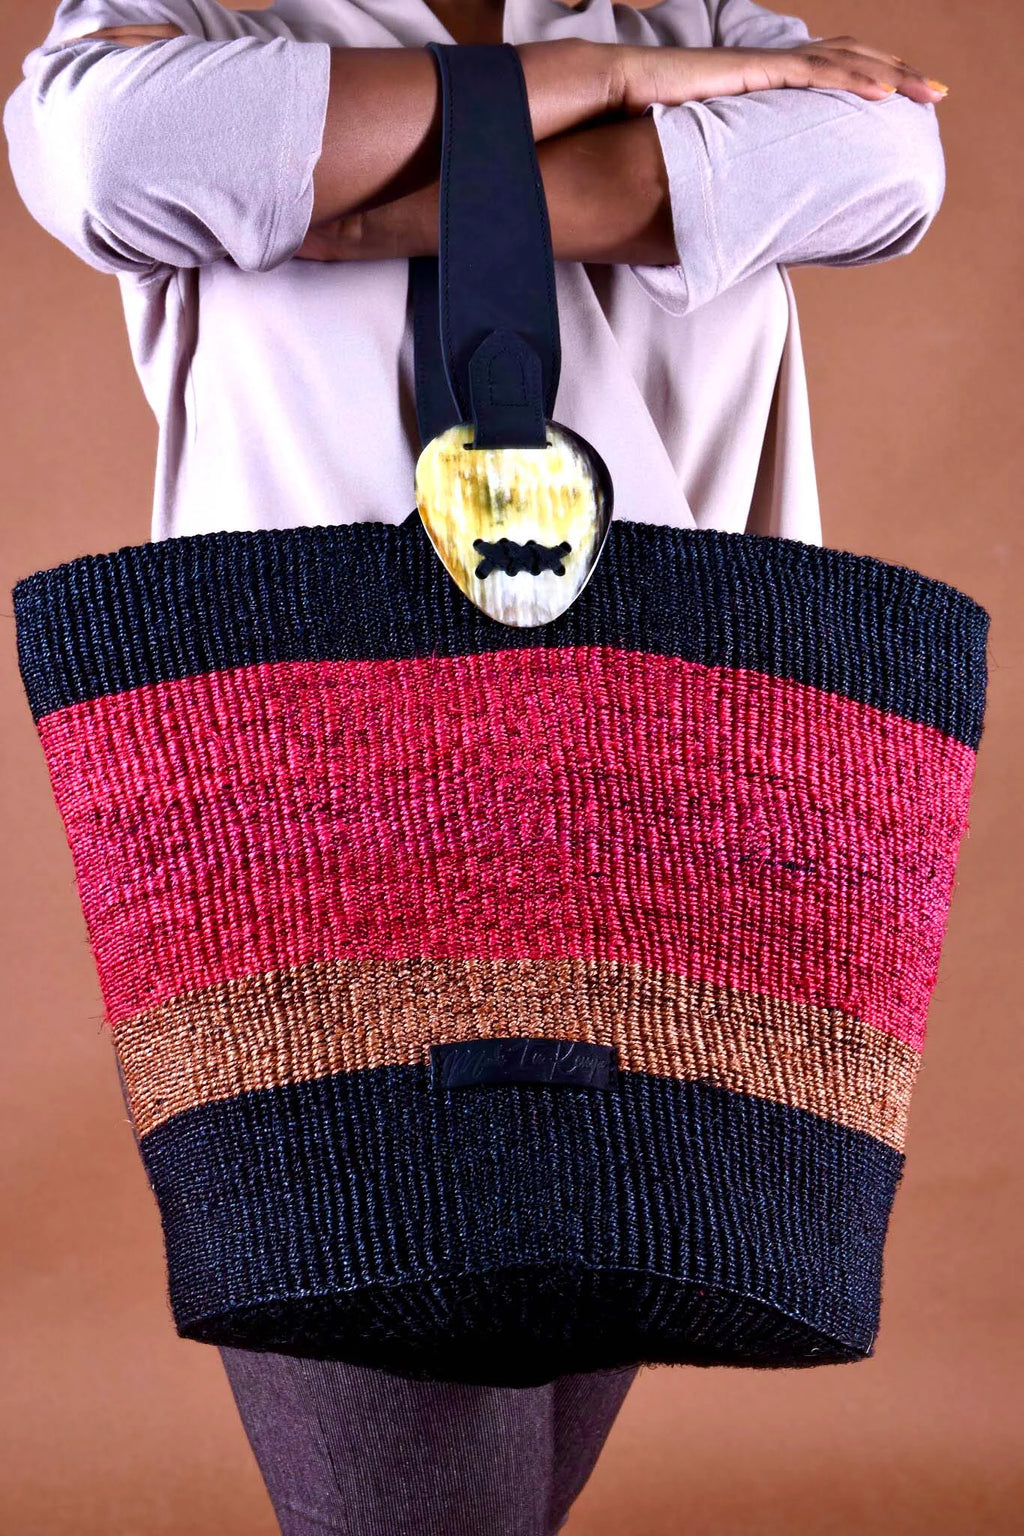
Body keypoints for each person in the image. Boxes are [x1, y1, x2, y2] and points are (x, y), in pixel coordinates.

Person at [3, 1, 948, 1531]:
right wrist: (615, 95)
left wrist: (363, 194)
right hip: (321, 813)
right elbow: (114, 152)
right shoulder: (199, 15)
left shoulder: (690, 6)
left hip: (675, 818)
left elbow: (890, 160)